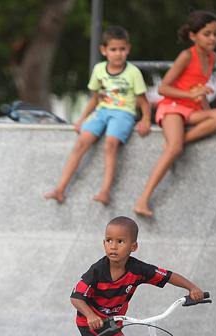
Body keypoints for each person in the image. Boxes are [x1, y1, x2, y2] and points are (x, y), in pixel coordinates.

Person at [70, 216, 203, 336]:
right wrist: (90, 315)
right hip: (91, 322)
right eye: (109, 240)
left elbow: (167, 276)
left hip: (112, 323)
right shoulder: (97, 271)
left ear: (133, 247)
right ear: (104, 243)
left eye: (120, 241)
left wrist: (192, 288)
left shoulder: (137, 269)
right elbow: (76, 297)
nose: (113, 246)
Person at [134, 11, 216, 217]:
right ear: (193, 36)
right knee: (175, 149)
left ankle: (178, 142)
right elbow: (163, 88)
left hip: (192, 109)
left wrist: (206, 110)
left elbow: (199, 91)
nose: (212, 38)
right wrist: (190, 94)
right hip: (173, 107)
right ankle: (143, 200)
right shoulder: (187, 56)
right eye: (207, 34)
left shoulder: (212, 58)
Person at [45, 26, 151, 205]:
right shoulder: (99, 70)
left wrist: (145, 119)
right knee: (81, 142)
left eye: (122, 49)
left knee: (110, 143)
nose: (118, 54)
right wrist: (82, 119)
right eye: (113, 49)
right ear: (104, 50)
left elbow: (143, 100)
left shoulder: (133, 72)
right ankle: (60, 189)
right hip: (102, 111)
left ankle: (105, 191)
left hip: (123, 112)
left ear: (128, 49)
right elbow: (95, 98)